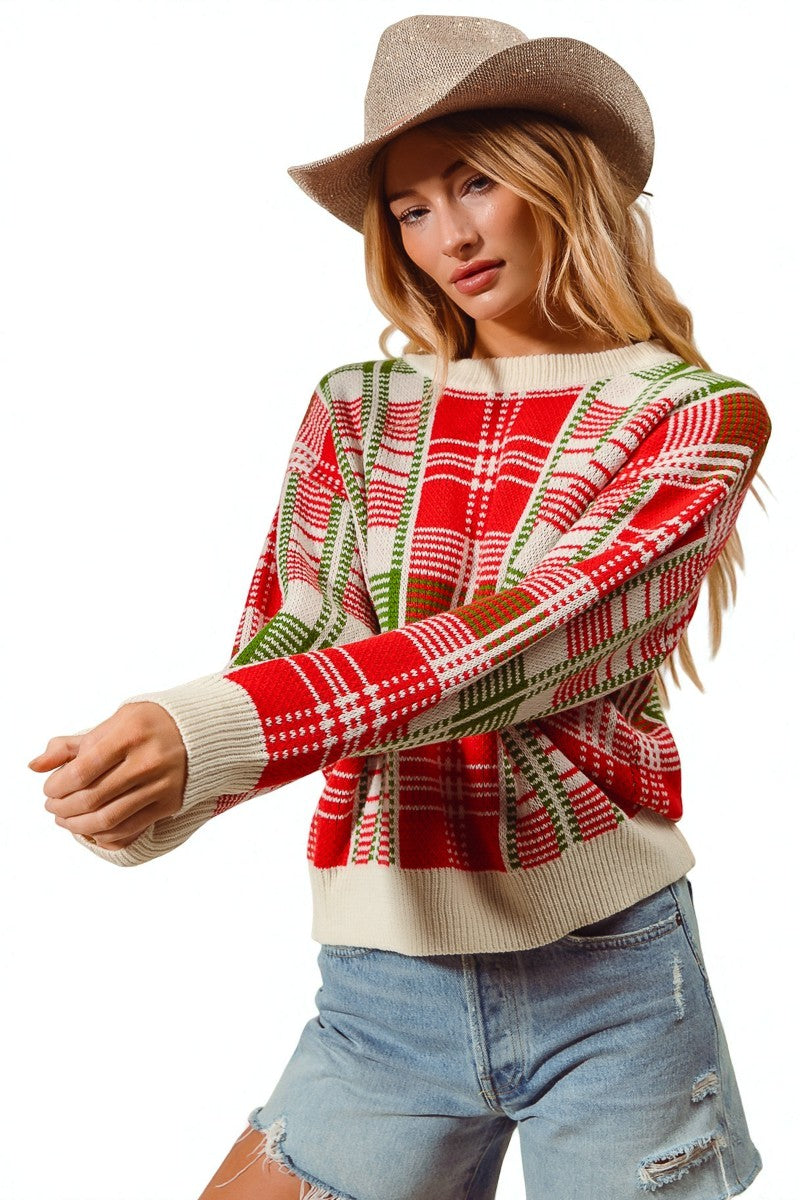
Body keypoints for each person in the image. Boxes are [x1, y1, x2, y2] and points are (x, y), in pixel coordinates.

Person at [28, 15, 771, 1200]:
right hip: (382, 985)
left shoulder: (691, 416)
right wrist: (167, 784)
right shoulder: (357, 406)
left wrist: (210, 732)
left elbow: (528, 643)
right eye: (410, 208)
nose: (448, 236)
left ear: (557, 178)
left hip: (611, 984)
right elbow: (302, 637)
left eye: (474, 182)